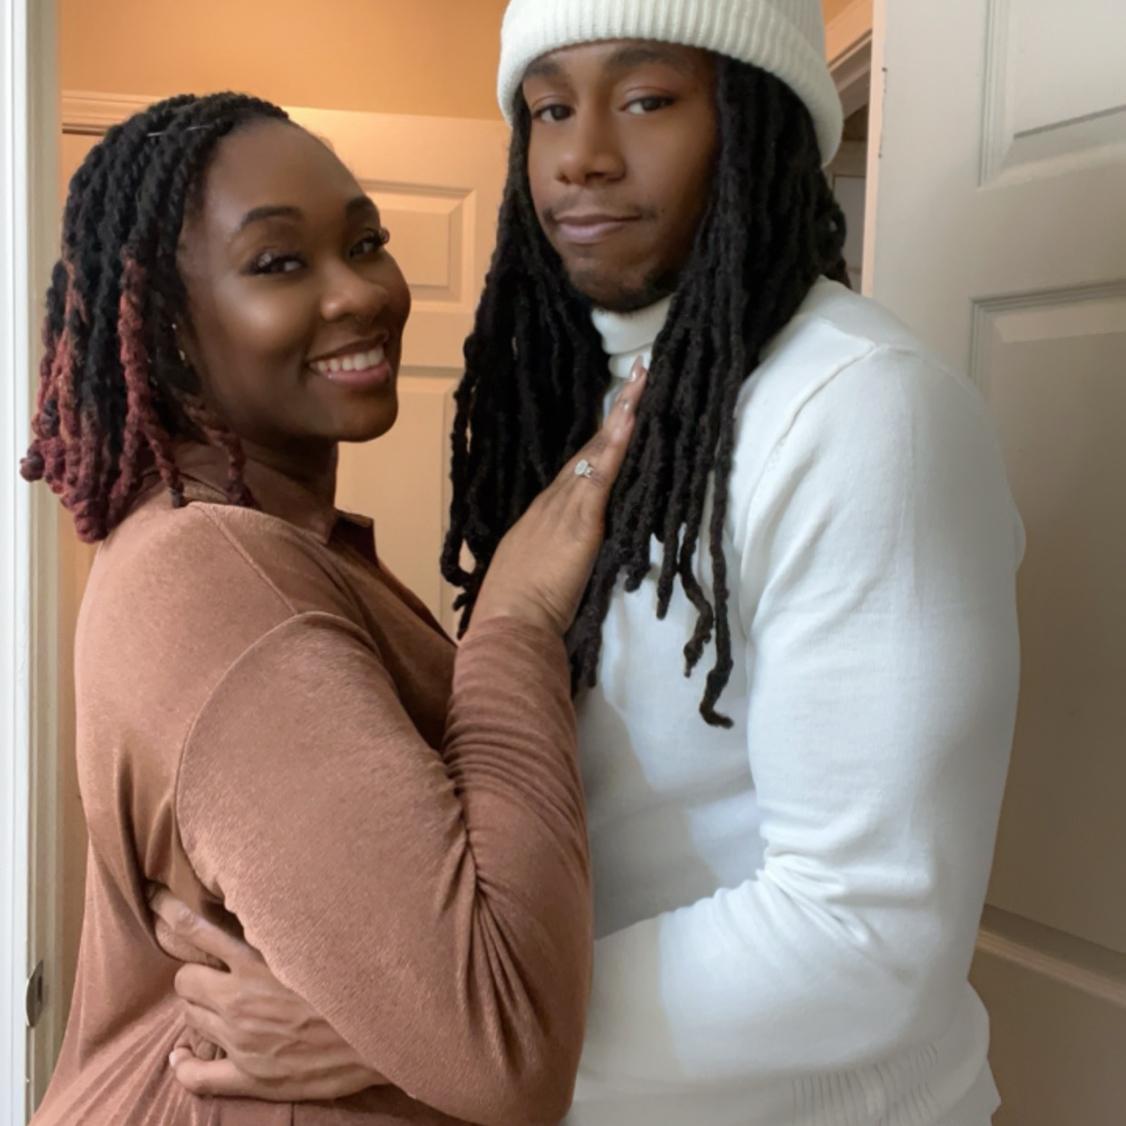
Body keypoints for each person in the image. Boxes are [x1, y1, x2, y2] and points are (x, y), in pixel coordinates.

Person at [153, 2, 1026, 1123]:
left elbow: (867, 936)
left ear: (756, 117)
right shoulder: (575, 392)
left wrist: (412, 1029)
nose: (582, 156)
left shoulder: (865, 414)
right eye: (550, 108)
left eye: (647, 99)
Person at [22, 90, 651, 1126]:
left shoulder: (255, 540)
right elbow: (506, 1050)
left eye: (366, 243)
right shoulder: (218, 578)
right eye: (279, 262)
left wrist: (360, 1033)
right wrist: (514, 622)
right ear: (166, 326)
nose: (359, 292)